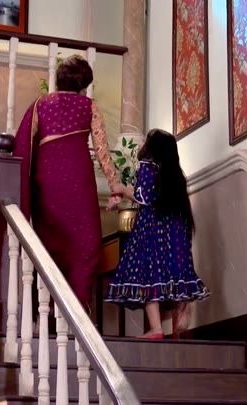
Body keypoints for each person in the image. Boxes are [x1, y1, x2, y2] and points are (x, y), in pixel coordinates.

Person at [13, 55, 120, 312]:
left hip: (47, 181)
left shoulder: (41, 105)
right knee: (87, 243)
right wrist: (114, 185)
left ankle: (51, 309)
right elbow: (102, 151)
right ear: (83, 83)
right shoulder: (89, 106)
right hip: (78, 181)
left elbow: (23, 146)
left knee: (51, 243)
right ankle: (76, 307)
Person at [106, 129, 210, 339]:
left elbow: (144, 196)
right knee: (173, 275)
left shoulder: (147, 166)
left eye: (145, 141)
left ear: (152, 148)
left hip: (152, 231)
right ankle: (182, 306)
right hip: (175, 230)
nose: (142, 144)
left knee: (147, 276)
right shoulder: (174, 175)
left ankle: (156, 329)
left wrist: (122, 189)